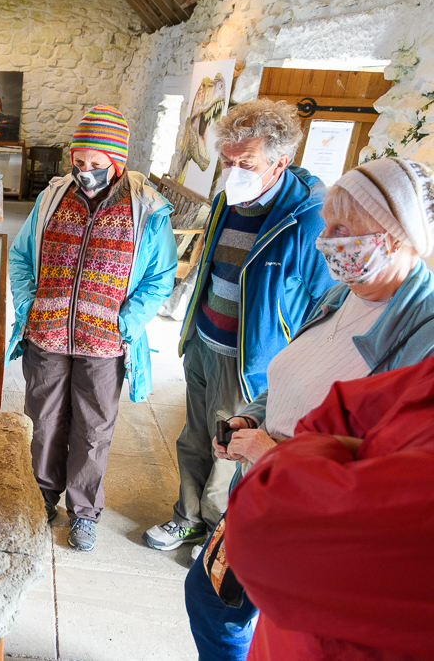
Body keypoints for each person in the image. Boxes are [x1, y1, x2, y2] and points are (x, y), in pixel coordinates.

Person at [185, 157, 434, 660]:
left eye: (345, 227)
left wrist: (272, 451)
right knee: (213, 601)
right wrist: (252, 417)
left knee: (249, 619)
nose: (326, 238)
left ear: (396, 234)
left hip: (314, 515)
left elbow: (387, 471)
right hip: (268, 484)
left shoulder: (423, 334)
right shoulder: (342, 295)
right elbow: (292, 372)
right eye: (327, 221)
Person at [144, 99, 336, 553]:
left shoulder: (307, 221)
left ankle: (218, 536)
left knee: (229, 449)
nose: (233, 171)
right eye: (227, 161)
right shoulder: (230, 200)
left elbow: (324, 304)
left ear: (281, 162)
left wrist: (291, 366)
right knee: (193, 437)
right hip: (204, 341)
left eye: (245, 163)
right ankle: (187, 518)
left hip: (249, 360)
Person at [8, 105, 176, 552]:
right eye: (79, 162)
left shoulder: (146, 208)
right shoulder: (51, 198)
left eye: (96, 165)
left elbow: (161, 276)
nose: (85, 172)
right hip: (48, 331)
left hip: (105, 340)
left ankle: (83, 511)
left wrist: (128, 322)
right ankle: (42, 496)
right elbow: (21, 256)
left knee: (94, 427)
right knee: (43, 420)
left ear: (117, 161)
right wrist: (29, 302)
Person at [227, 353, 434, 660]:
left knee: (220, 612)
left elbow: (264, 522)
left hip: (322, 641)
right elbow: (335, 408)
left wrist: (317, 452)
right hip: (291, 635)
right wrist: (338, 459)